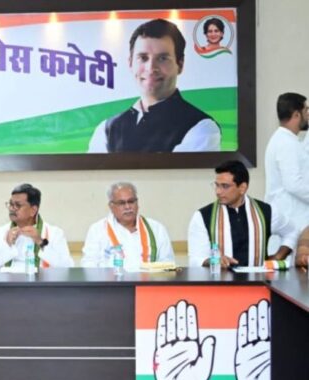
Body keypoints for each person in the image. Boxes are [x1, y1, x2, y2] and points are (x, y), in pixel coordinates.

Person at [88, 19, 221, 153]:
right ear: (130, 63)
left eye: (162, 58)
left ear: (180, 64)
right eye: (143, 58)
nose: (151, 68)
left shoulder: (202, 128)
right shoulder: (107, 129)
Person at [187, 160, 299, 268]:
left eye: (225, 186)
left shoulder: (266, 211)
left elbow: (292, 232)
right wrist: (215, 261)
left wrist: (278, 256)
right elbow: (196, 259)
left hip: (259, 280)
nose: (218, 191)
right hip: (221, 281)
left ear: (242, 188)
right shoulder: (202, 216)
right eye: (217, 185)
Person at [0, 183, 73, 268]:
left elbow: (67, 267)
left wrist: (41, 242)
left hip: (42, 284)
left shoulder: (54, 233)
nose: (12, 208)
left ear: (33, 210)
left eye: (17, 205)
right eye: (11, 204)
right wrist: (6, 245)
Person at [81, 182, 174, 268]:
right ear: (111, 206)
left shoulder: (157, 229)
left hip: (149, 280)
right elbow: (89, 265)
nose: (127, 207)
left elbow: (168, 265)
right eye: (121, 203)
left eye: (131, 201)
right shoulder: (97, 230)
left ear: (137, 203)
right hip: (112, 281)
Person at [264, 92, 309, 251]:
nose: (308, 115)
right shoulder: (286, 143)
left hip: (294, 219)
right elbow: (293, 184)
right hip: (289, 220)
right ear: (296, 114)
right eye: (306, 110)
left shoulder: (288, 140)